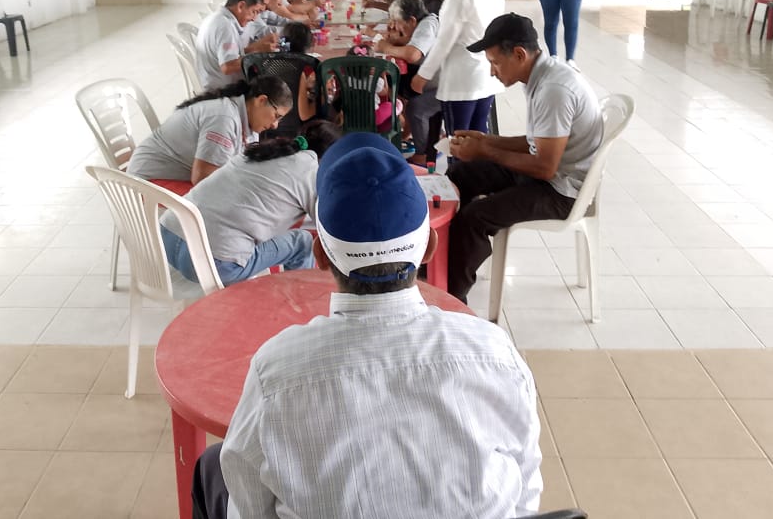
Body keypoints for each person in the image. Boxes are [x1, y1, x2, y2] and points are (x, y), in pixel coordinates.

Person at [191, 132, 543, 519]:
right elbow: (525, 493)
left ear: (320, 255)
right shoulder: (495, 354)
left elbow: (249, 509)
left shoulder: (276, 371)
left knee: (212, 467)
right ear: (429, 247)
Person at [446, 13, 603, 303]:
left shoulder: (554, 90)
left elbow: (544, 167)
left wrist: (484, 150)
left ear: (519, 54)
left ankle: (452, 299)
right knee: (461, 174)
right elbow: (537, 142)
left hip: (562, 192)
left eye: (495, 62)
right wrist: (485, 140)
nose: (492, 72)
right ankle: (446, 261)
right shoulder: (541, 75)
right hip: (550, 174)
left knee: (474, 218)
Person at [160, 120, 342, 286]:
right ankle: (298, 301)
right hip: (211, 264)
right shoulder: (312, 172)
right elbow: (330, 230)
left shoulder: (262, 151)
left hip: (166, 239)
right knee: (302, 242)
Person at [411, 0, 505, 137]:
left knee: (457, 140)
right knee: (479, 137)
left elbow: (444, 41)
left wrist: (423, 75)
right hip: (486, 78)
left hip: (461, 80)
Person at [126, 76, 292, 185]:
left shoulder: (248, 123)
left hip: (168, 177)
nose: (275, 125)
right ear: (261, 100)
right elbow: (203, 179)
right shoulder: (224, 118)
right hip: (147, 183)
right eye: (276, 116)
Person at [375, 0, 442, 166]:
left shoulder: (427, 24)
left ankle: (423, 154)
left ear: (412, 20)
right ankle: (412, 135)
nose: (395, 26)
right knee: (399, 87)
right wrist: (394, 41)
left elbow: (412, 54)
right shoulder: (421, 24)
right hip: (432, 81)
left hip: (446, 85)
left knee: (416, 108)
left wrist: (386, 47)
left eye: (398, 22)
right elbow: (409, 44)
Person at [195, 0, 277, 90]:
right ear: (241, 6)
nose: (254, 18)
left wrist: (254, 48)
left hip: (214, 83)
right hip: (223, 91)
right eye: (254, 12)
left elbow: (229, 55)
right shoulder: (225, 26)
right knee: (276, 87)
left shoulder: (218, 18)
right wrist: (258, 53)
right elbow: (228, 67)